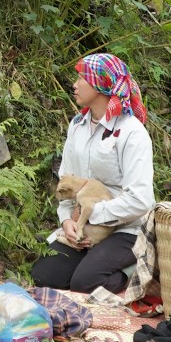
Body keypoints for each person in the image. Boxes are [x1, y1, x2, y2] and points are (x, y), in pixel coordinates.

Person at [31, 53, 155, 294]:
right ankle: (89, 260)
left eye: (81, 78)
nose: (75, 84)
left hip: (126, 229)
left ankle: (136, 271)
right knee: (44, 276)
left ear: (101, 85)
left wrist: (92, 216)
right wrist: (68, 221)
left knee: (86, 283)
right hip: (84, 225)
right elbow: (66, 180)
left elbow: (141, 200)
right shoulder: (77, 125)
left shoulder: (131, 133)